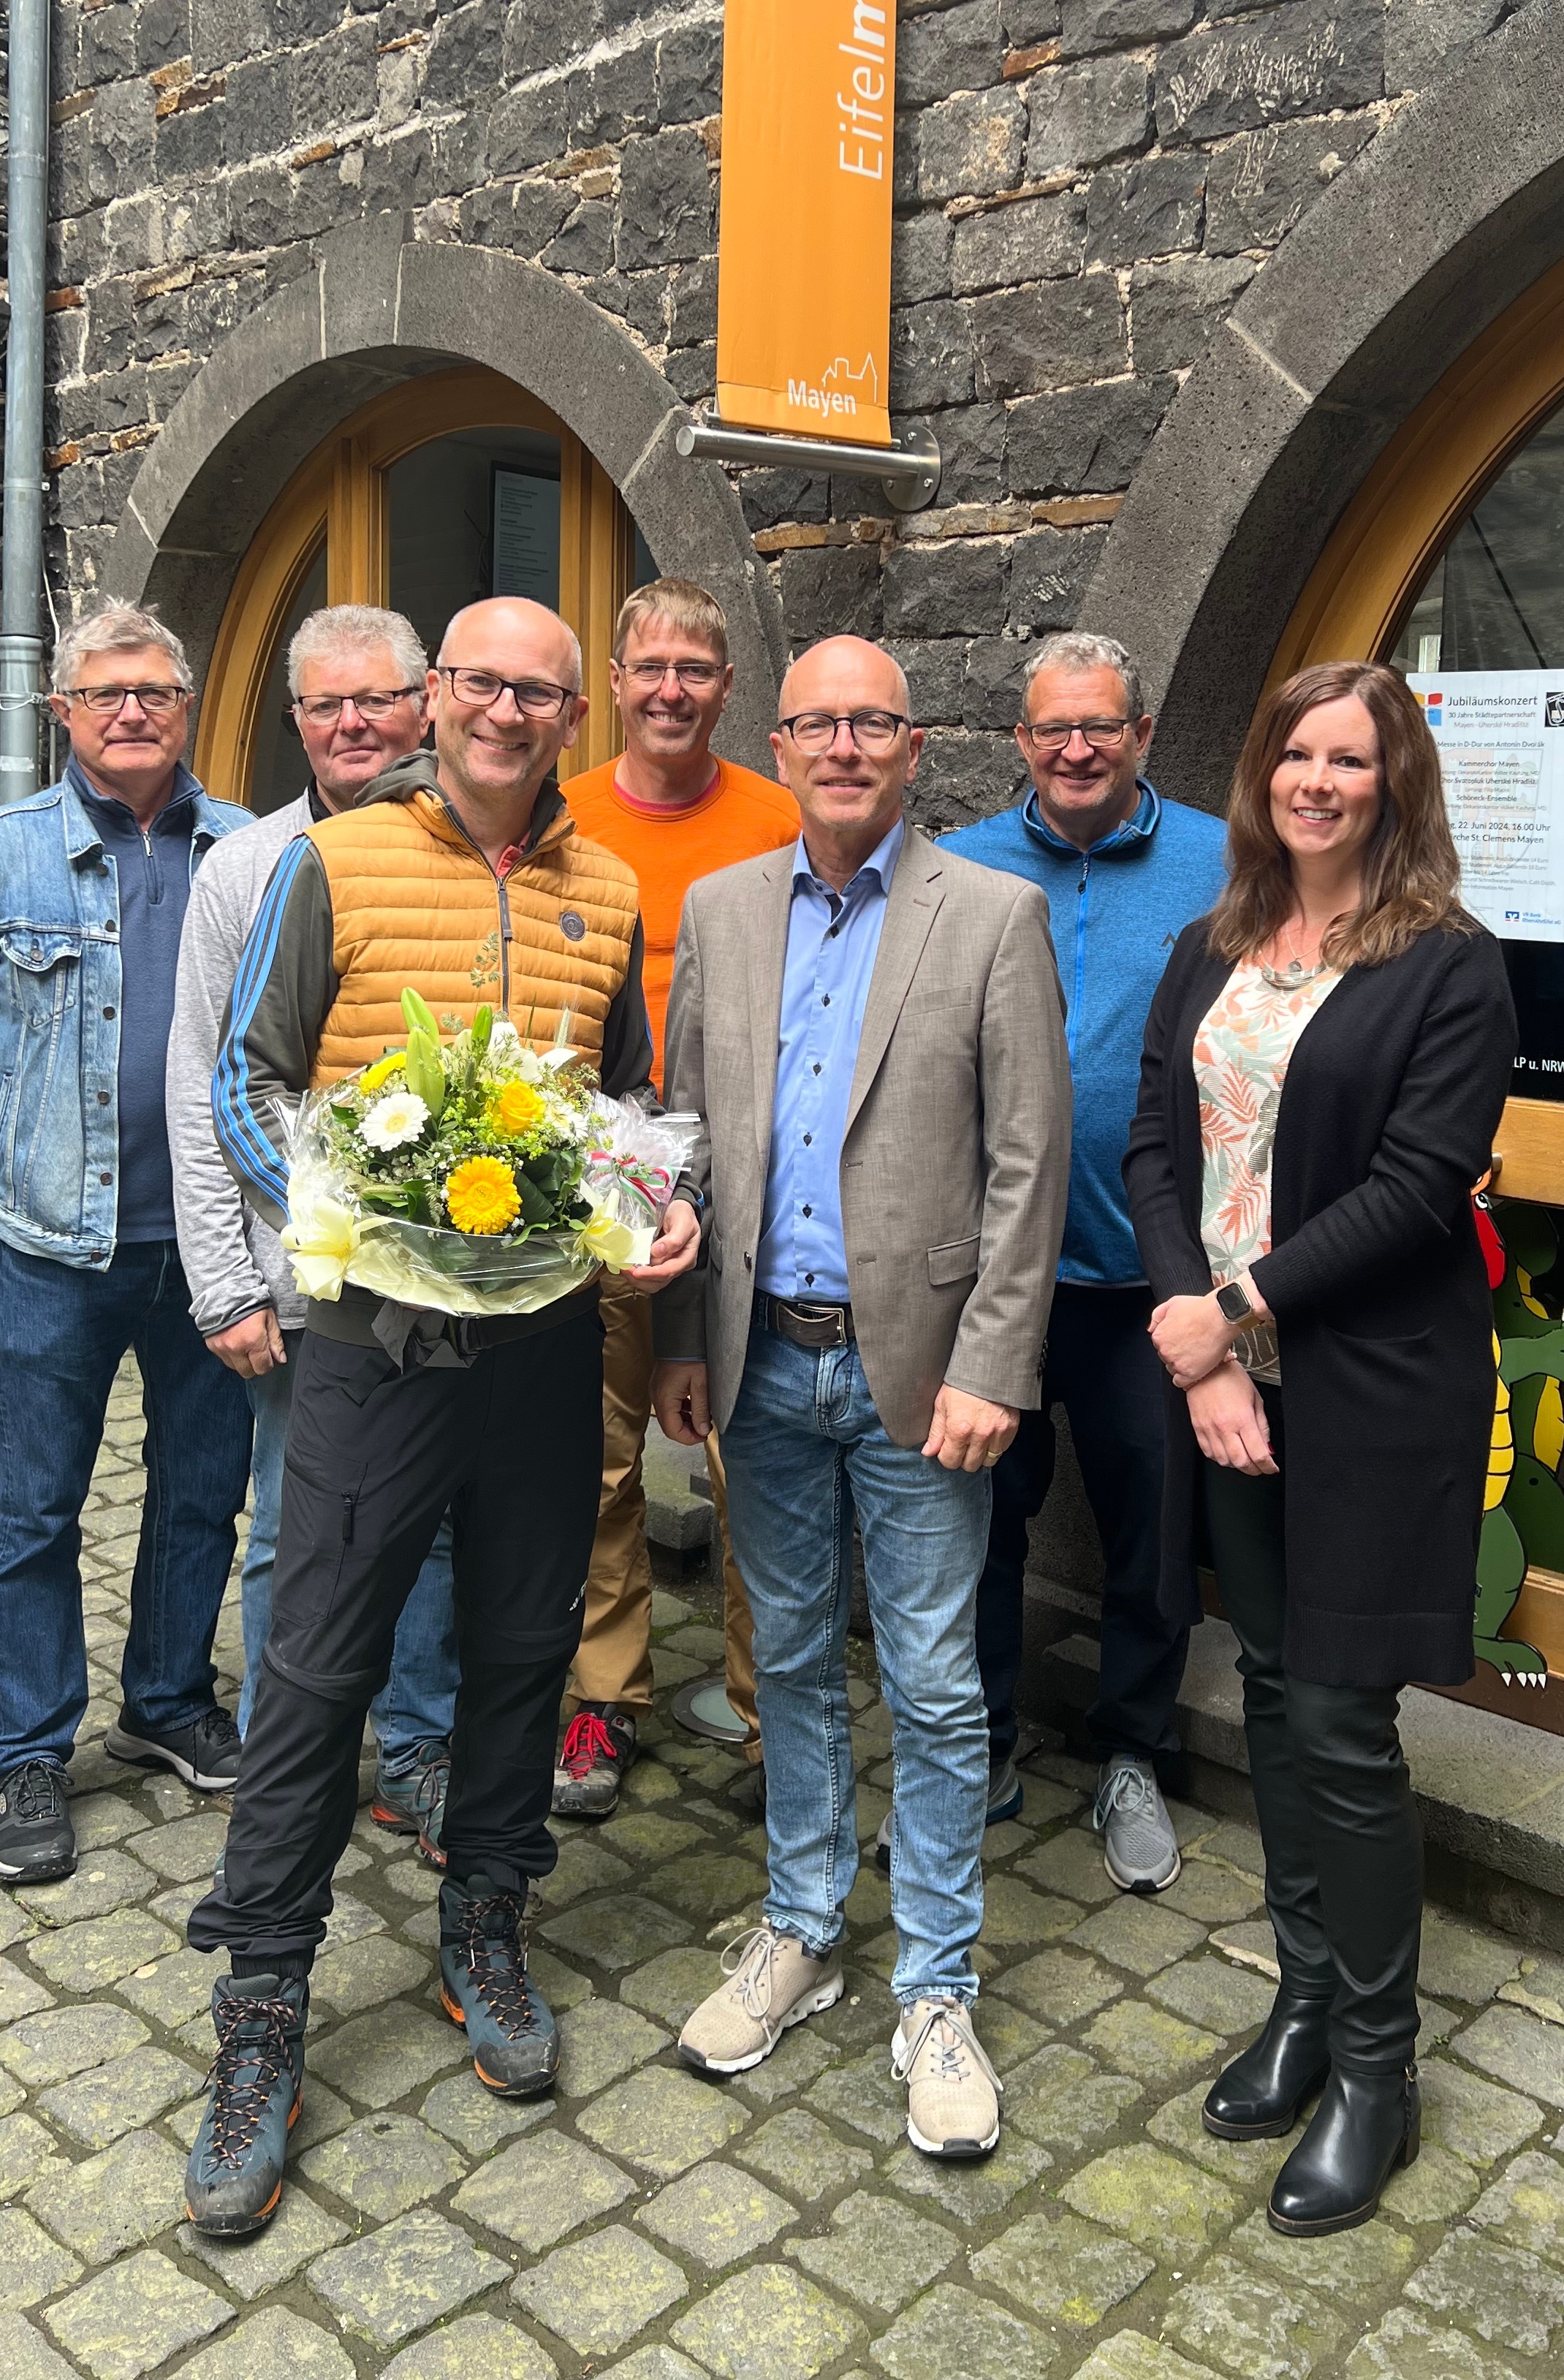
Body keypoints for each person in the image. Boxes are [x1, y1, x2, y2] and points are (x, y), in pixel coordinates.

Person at [182, 597, 699, 2240]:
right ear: (434, 700)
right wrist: (339, 1215)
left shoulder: (607, 886)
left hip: (545, 1349)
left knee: (522, 1648)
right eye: (480, 682)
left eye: (540, 692)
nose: (505, 713)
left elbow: (621, 1110)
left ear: (570, 715)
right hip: (371, 1344)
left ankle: (487, 1915)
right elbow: (244, 1081)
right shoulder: (329, 867)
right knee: (321, 1661)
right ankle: (262, 2004)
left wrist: (642, 1214)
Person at [653, 636, 1071, 2161]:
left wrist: (993, 1366)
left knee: (939, 1683)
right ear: (783, 741)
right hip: (762, 1358)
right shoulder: (720, 909)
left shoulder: (992, 915)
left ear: (915, 746)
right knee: (794, 1666)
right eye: (818, 721)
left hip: (920, 1376)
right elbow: (685, 1133)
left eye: (872, 722)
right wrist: (689, 1339)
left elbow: (1032, 1168)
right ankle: (802, 1924)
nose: (843, 744)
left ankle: (938, 1988)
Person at [1125, 659, 1514, 2237]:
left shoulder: (1450, 969)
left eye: (1350, 760)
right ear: (1264, 776)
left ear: (1395, 784)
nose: (1317, 781)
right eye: (1297, 752)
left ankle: (1376, 2067)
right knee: (1274, 1696)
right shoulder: (1209, 944)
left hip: (1369, 1386)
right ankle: (1298, 2001)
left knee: (1343, 1721)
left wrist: (1238, 1314)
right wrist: (1193, 1337)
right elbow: (1155, 1144)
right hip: (1230, 1381)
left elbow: (1422, 1185)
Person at [0, 602, 257, 1889]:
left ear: (188, 702)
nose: (132, 711)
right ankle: (30, 1748)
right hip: (53, 1250)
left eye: (154, 690)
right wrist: (2, 1174)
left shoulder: (249, 855)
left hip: (213, 1250)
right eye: (106, 693)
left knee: (202, 1490)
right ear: (62, 714)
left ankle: (164, 1699)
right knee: (36, 1509)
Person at [934, 632, 1227, 1892]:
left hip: (1148, 1278)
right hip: (998, 1274)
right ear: (1020, 741)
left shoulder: (1227, 862)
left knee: (1150, 1532)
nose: (1076, 748)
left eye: (1100, 726)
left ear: (1142, 733)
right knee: (975, 1525)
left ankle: (1130, 1753)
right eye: (1053, 728)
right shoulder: (957, 869)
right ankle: (988, 1743)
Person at [167, 605, 460, 1857]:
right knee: (295, 1526)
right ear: (294, 721)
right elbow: (201, 1079)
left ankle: (418, 1745)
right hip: (298, 1280)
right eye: (325, 705)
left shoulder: (459, 856)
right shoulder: (244, 866)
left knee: (435, 1521)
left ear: (425, 705)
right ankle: (302, 1754)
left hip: (450, 1278)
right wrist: (227, 1283)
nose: (353, 725)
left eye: (378, 700)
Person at [555, 577, 798, 1819]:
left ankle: (774, 1719)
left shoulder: (780, 818)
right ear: (612, 686)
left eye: (693, 670)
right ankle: (606, 1697)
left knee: (750, 1465)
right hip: (605, 1181)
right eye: (647, 667)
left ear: (726, 691)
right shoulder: (566, 818)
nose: (668, 690)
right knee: (598, 1459)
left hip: (752, 1182)